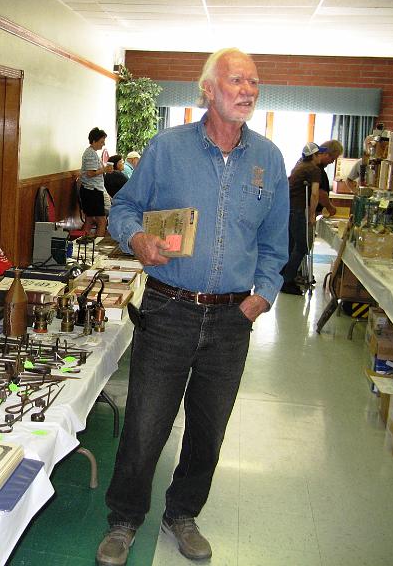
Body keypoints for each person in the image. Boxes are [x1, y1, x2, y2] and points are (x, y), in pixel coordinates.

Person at [98, 48, 288, 565]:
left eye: (254, 80)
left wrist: (263, 294)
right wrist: (137, 239)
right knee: (145, 425)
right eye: (235, 80)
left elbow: (276, 242)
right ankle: (124, 519)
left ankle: (182, 512)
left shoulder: (268, 159)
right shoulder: (167, 148)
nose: (247, 89)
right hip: (169, 309)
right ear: (207, 89)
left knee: (209, 428)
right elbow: (125, 206)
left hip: (231, 320)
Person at [279, 142, 321, 296]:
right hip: (298, 211)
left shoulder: (299, 166)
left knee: (290, 245)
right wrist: (311, 214)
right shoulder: (314, 170)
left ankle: (283, 275)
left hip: (288, 209)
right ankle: (287, 280)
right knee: (303, 246)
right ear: (315, 156)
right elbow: (315, 194)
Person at [80, 127, 113, 236]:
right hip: (92, 191)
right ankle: (97, 247)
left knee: (89, 220)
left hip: (90, 190)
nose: (103, 144)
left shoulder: (92, 152)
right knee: (102, 221)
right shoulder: (90, 153)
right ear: (94, 141)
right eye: (101, 142)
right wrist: (104, 169)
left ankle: (85, 245)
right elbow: (90, 173)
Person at [314, 140, 343, 217]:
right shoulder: (316, 169)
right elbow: (320, 193)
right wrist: (330, 208)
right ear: (326, 154)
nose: (332, 162)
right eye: (332, 159)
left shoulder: (314, 167)